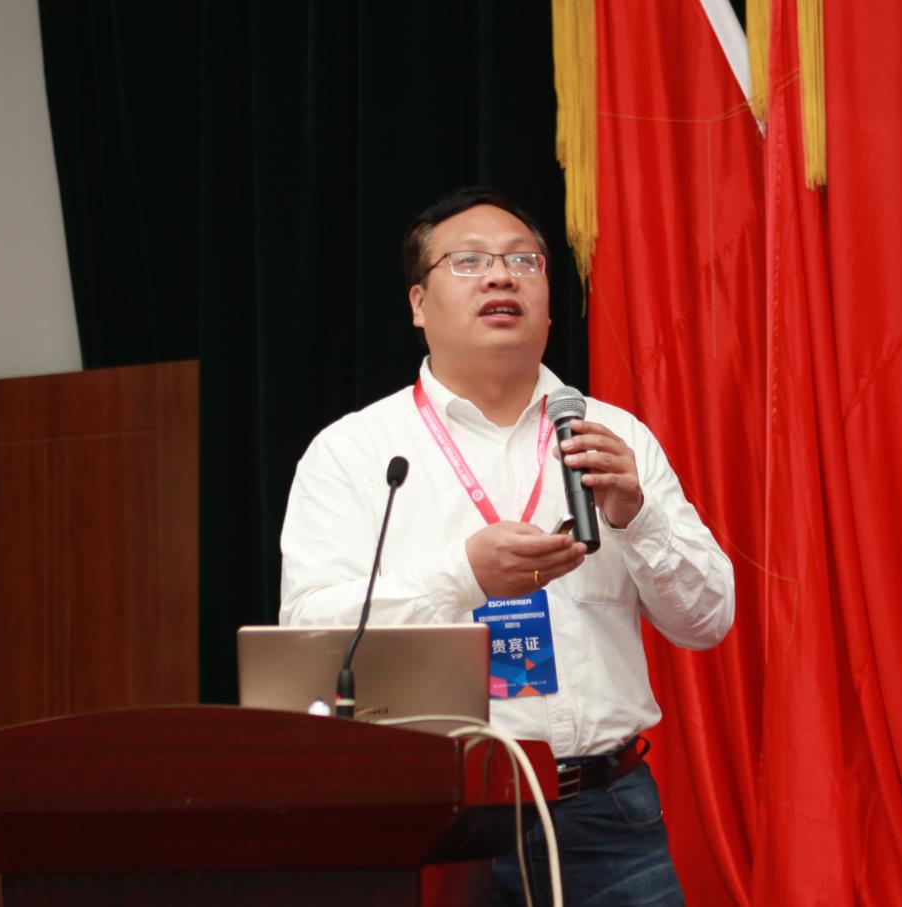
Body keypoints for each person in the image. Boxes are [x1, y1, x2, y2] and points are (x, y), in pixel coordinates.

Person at [279, 187, 734, 906]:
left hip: (607, 815)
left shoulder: (614, 437)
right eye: (469, 262)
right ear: (418, 303)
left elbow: (707, 622)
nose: (500, 276)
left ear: (549, 307)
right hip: (434, 816)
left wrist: (637, 516)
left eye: (524, 261)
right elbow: (310, 639)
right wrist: (464, 575)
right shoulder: (355, 452)